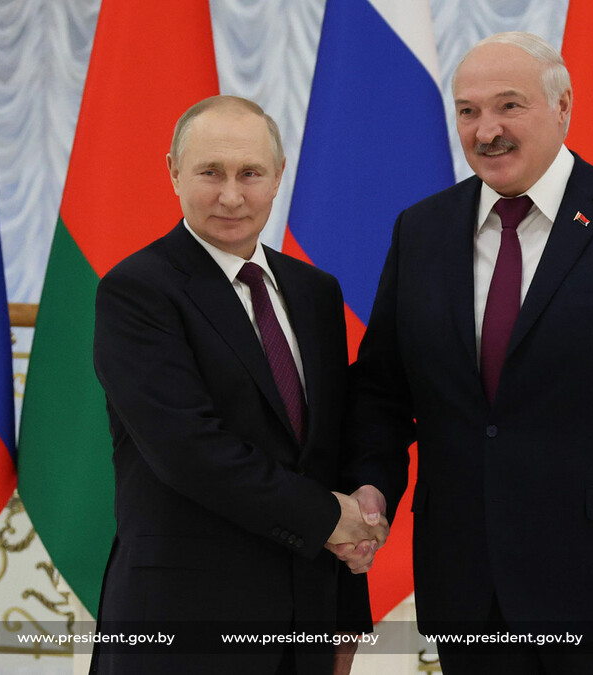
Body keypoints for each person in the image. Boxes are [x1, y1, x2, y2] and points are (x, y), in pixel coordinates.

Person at [345, 32, 593, 673]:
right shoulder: (421, 229)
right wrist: (372, 485)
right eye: (468, 111)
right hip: (468, 592)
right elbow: (382, 391)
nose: (486, 131)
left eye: (509, 106)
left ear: (563, 106)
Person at [90, 95, 385, 675]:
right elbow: (189, 450)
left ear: (278, 176)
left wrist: (347, 616)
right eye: (210, 172)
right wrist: (330, 518)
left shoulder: (315, 292)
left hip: (307, 626)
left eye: (250, 173)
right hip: (183, 627)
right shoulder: (137, 290)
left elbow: (326, 451)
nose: (231, 196)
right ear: (174, 172)